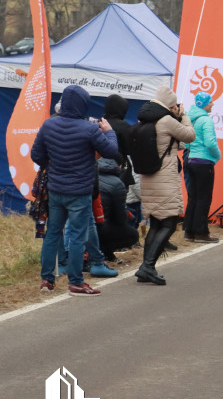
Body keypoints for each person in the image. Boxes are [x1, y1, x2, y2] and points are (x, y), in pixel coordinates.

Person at [31, 85, 121, 296]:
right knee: (78, 236)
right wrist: (109, 132)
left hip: (55, 189)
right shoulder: (88, 129)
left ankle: (47, 280)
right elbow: (111, 151)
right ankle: (76, 282)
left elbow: (36, 155)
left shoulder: (49, 125)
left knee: (53, 234)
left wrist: (52, 166)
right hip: (80, 191)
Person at [134, 86, 196, 285]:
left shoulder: (145, 118)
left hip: (149, 177)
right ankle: (148, 266)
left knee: (157, 222)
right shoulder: (167, 120)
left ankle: (145, 266)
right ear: (170, 105)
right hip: (165, 178)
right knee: (169, 222)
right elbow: (189, 135)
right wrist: (183, 115)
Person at [184, 91, 222, 243]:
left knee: (193, 196)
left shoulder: (190, 119)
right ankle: (201, 232)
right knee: (204, 198)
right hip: (204, 161)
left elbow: (186, 141)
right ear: (205, 104)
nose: (212, 104)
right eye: (210, 102)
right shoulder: (206, 121)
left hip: (191, 159)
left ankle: (189, 231)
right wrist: (217, 155)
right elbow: (210, 143)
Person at [96, 157, 138, 260]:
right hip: (101, 224)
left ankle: (105, 253)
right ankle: (102, 251)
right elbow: (119, 218)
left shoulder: (91, 174)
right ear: (119, 166)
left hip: (83, 223)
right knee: (133, 235)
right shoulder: (117, 183)